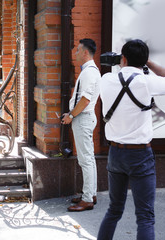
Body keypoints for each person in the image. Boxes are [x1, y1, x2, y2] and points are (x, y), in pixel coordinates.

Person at [97, 39, 165, 240]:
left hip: (115, 154)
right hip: (140, 155)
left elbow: (119, 77)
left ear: (122, 58)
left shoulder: (106, 80)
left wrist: (123, 64)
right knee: (145, 216)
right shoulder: (146, 82)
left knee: (114, 210)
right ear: (143, 61)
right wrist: (148, 64)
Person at [62, 38, 101, 212]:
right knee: (88, 159)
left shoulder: (89, 72)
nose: (75, 53)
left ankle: (87, 200)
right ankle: (90, 194)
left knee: (85, 160)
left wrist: (70, 115)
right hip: (83, 117)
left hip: (83, 118)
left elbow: (84, 100)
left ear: (85, 52)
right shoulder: (89, 71)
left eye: (78, 50)